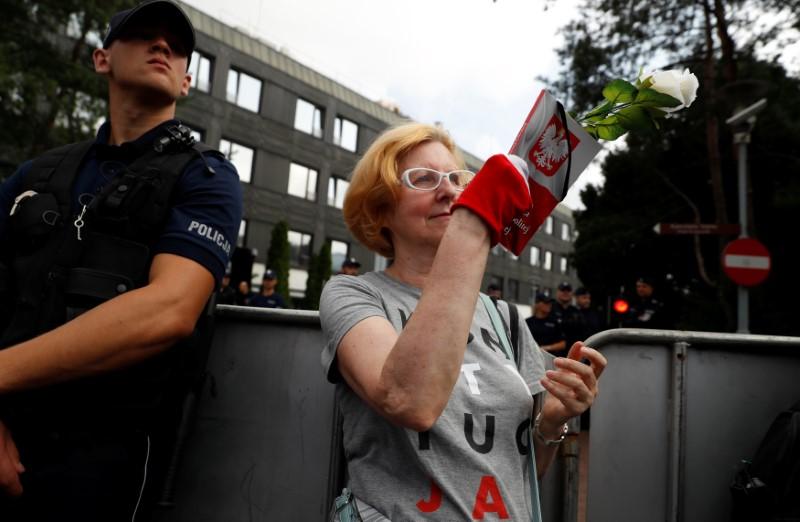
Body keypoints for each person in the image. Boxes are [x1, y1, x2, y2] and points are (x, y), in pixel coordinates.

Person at [0, 2, 242, 520]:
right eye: (145, 36)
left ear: (187, 83)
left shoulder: (206, 178)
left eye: (176, 47)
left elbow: (168, 310)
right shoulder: (36, 174)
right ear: (101, 59)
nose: (163, 47)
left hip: (101, 463)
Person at [319, 122, 605, 520]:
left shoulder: (504, 317)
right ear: (380, 208)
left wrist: (552, 423)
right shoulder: (354, 295)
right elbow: (410, 401)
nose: (449, 191)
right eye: (423, 178)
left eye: (458, 179)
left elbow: (520, 473)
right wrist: (473, 224)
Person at [550, 281, 583, 352]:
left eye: (568, 290)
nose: (565, 293)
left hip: (572, 353)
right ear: (557, 292)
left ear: (572, 293)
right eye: (563, 290)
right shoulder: (549, 309)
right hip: (552, 352)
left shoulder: (577, 312)